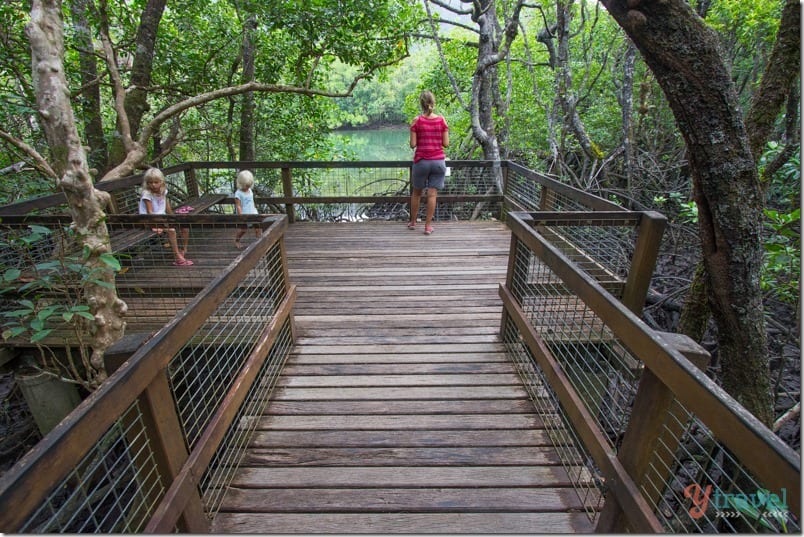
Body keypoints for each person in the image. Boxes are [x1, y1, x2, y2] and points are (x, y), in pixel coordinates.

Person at [408, 90, 449, 235]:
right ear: (433, 102)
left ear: (421, 103)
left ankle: (413, 222)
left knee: (417, 193)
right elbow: (446, 143)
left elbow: (413, 145)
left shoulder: (416, 121)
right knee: (432, 195)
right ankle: (427, 227)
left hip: (421, 161)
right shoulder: (441, 120)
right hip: (438, 162)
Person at [138, 167, 193, 266]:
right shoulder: (147, 194)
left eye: (156, 182)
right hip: (149, 220)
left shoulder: (163, 191)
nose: (153, 185)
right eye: (150, 182)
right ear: (147, 183)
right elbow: (149, 212)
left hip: (162, 218)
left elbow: (166, 205)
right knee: (171, 230)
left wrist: (173, 217)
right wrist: (156, 225)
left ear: (161, 181)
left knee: (184, 226)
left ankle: (183, 250)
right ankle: (177, 257)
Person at [233, 169, 261, 249]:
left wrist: (255, 209)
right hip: (244, 213)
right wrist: (241, 216)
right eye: (246, 186)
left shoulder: (250, 191)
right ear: (241, 184)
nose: (247, 188)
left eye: (249, 185)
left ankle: (259, 240)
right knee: (243, 229)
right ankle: (237, 240)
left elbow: (252, 201)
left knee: (258, 227)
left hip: (253, 212)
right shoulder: (238, 193)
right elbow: (238, 205)